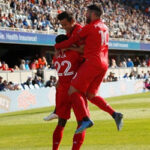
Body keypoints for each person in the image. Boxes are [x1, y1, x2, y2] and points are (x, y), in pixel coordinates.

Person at [55, 4, 123, 134]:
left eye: (87, 13)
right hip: (104, 64)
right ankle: (115, 114)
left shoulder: (90, 27)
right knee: (91, 95)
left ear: (93, 14)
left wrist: (57, 45)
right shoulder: (105, 27)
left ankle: (85, 119)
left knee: (73, 89)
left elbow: (71, 40)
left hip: (92, 62)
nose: (85, 15)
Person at [49, 35, 90, 150]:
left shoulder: (55, 57)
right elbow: (85, 56)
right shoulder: (74, 54)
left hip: (62, 91)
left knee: (61, 123)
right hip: (74, 90)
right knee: (82, 123)